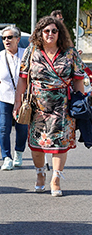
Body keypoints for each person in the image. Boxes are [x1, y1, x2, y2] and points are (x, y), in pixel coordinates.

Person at [14, 16, 86, 197]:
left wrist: (80, 104)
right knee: (37, 145)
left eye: (54, 31)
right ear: (40, 33)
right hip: (37, 106)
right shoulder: (32, 50)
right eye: (46, 31)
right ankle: (40, 173)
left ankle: (56, 179)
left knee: (60, 145)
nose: (50, 34)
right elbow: (23, 78)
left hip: (63, 106)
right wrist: (18, 102)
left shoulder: (70, 53)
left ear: (59, 33)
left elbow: (78, 80)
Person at [0, 25, 28, 171]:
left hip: (23, 97)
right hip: (4, 97)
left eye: (10, 37)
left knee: (22, 127)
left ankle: (18, 153)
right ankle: (6, 157)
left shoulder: (26, 54)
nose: (6, 40)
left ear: (17, 39)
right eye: (4, 38)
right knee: (3, 127)